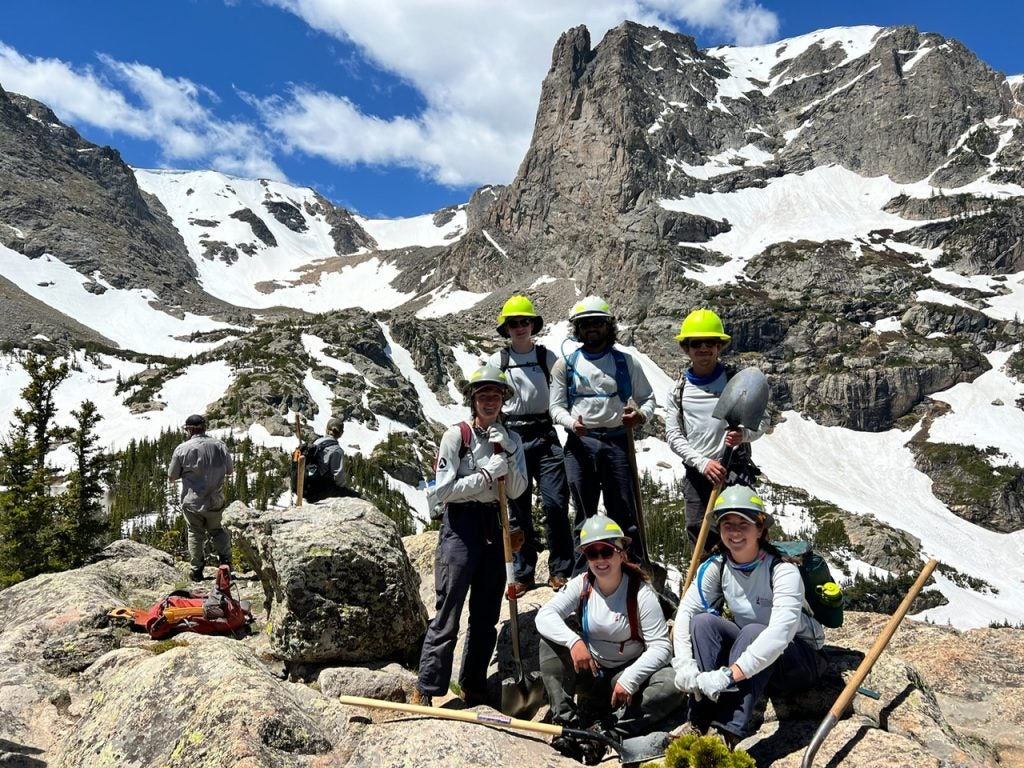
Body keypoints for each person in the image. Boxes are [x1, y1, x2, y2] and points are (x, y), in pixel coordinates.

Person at [672, 486, 827, 748]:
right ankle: (698, 721)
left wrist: (729, 675)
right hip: (754, 660)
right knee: (703, 623)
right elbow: (687, 613)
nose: (734, 532)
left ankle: (726, 731)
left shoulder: (783, 571)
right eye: (727, 524)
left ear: (760, 529)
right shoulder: (716, 566)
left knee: (755, 632)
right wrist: (685, 664)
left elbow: (779, 635)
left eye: (743, 523)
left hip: (799, 661)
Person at [413, 363, 529, 708]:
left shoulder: (512, 439)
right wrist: (484, 474)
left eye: (496, 395)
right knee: (449, 608)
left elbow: (519, 488)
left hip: (495, 524)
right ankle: (428, 686)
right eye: (483, 395)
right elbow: (443, 492)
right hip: (460, 526)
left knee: (486, 613)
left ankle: (473, 685)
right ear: (473, 400)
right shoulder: (456, 437)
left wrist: (507, 453)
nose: (490, 401)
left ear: (504, 399)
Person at [536, 515, 685, 764]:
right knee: (549, 644)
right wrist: (574, 642)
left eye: (606, 551)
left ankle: (605, 733)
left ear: (620, 553)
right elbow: (545, 617)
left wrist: (630, 678)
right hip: (591, 671)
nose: (600, 559)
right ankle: (567, 725)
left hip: (626, 676)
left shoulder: (640, 592)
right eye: (592, 553)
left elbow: (660, 647)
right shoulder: (581, 585)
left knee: (671, 684)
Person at [549, 296, 655, 569]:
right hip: (580, 443)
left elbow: (648, 398)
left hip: (617, 441)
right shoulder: (565, 365)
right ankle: (583, 573)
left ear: (609, 325)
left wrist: (641, 415)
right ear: (577, 329)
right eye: (585, 324)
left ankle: (632, 568)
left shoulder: (626, 362)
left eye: (597, 322)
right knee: (584, 511)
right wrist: (573, 424)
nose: (591, 328)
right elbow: (556, 407)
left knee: (623, 510)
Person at [487, 294, 573, 595]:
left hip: (545, 434)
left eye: (524, 322)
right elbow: (488, 396)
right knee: (517, 508)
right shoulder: (498, 361)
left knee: (555, 503)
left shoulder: (546, 358)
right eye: (514, 323)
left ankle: (561, 569)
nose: (520, 327)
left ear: (533, 325)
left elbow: (566, 390)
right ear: (506, 329)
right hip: (514, 439)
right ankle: (523, 572)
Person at [665, 309, 764, 553]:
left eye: (710, 342)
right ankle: (706, 586)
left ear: (720, 347)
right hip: (698, 473)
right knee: (699, 532)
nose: (703, 348)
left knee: (745, 530)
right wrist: (702, 463)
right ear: (686, 349)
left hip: (735, 469)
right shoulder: (678, 390)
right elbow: (673, 436)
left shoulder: (737, 381)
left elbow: (763, 421)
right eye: (696, 343)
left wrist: (744, 435)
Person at [168, 414, 234, 581]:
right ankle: (226, 564)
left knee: (195, 533)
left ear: (189, 429)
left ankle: (197, 570)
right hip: (215, 499)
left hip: (193, 501)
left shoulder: (182, 448)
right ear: (204, 427)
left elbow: (172, 476)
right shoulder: (220, 445)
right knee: (218, 531)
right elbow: (229, 470)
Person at [304, 417, 361, 501]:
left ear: (326, 429)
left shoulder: (317, 442)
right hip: (322, 489)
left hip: (309, 485)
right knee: (357, 496)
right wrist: (345, 489)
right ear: (341, 433)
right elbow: (338, 477)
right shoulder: (337, 450)